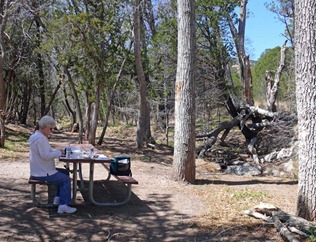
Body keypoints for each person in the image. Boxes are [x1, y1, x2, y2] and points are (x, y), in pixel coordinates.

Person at [28, 115, 77, 214]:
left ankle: (58, 199)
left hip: (39, 170)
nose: (51, 131)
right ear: (45, 126)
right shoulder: (41, 139)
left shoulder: (35, 136)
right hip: (43, 172)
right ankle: (63, 206)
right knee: (65, 180)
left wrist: (57, 151)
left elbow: (45, 152)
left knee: (65, 172)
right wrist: (59, 153)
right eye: (51, 129)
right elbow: (45, 155)